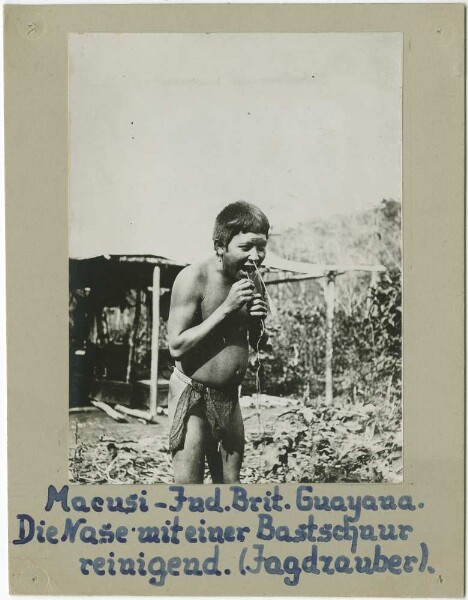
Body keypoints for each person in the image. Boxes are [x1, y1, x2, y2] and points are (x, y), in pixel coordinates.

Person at [167, 201, 270, 484]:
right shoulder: (193, 278)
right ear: (220, 246)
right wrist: (226, 308)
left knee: (230, 489)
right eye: (246, 247)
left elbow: (255, 341)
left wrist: (257, 324)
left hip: (230, 398)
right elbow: (175, 345)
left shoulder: (252, 280)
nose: (256, 256)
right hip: (193, 397)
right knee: (190, 492)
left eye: (261, 247)